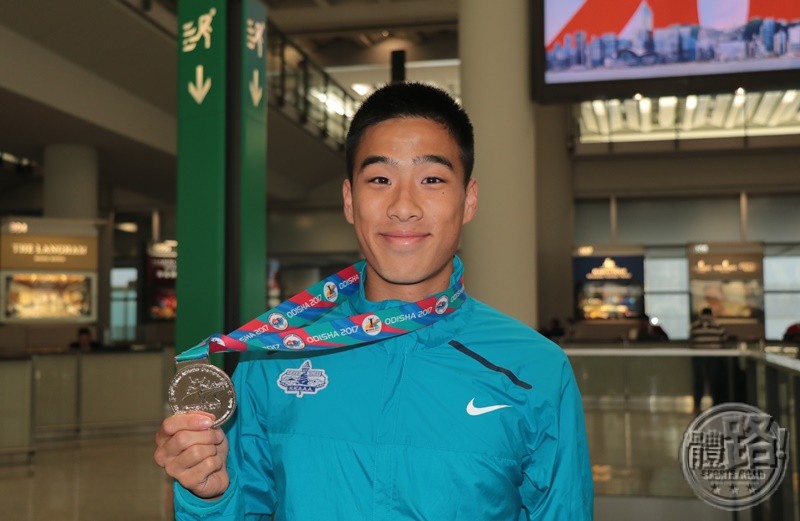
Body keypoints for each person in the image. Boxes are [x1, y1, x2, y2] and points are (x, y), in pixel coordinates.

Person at [154, 82, 593, 520]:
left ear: (469, 199)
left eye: (432, 179)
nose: (403, 206)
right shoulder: (273, 357)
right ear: (349, 199)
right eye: (380, 179)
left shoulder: (534, 369)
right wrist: (209, 499)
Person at [690, 307, 727, 412]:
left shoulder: (695, 326)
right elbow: (723, 339)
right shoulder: (717, 325)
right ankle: (715, 405)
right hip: (714, 356)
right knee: (713, 381)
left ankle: (697, 405)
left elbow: (692, 340)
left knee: (699, 381)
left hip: (699, 356)